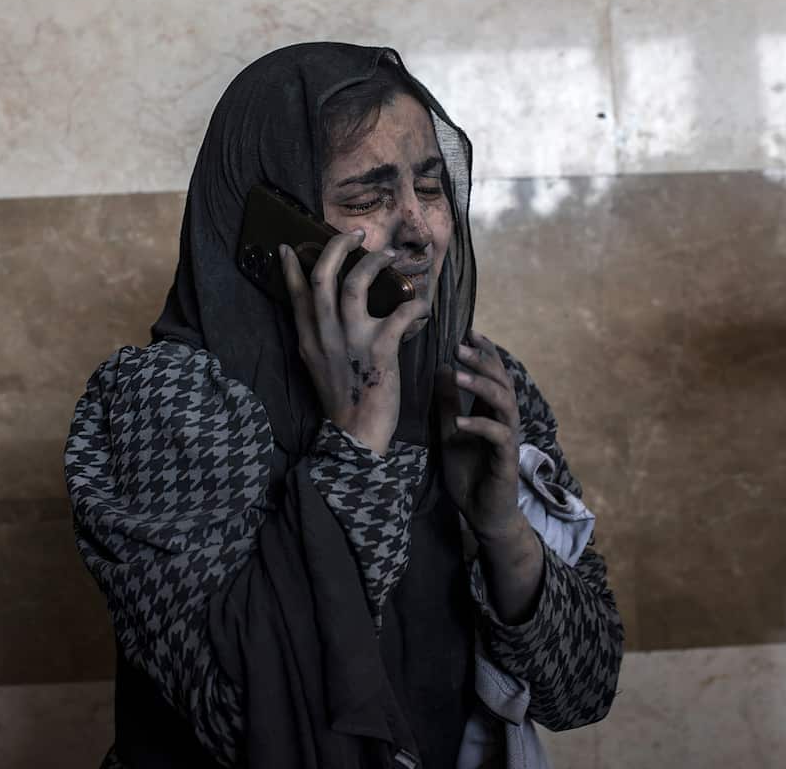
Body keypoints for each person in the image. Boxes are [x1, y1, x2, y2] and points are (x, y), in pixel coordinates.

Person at [65, 43, 623, 769]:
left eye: (431, 188)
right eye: (366, 199)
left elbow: (583, 689)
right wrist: (358, 440)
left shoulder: (476, 382)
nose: (420, 227)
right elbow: (246, 711)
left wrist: (501, 529)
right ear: (271, 227)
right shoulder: (165, 402)